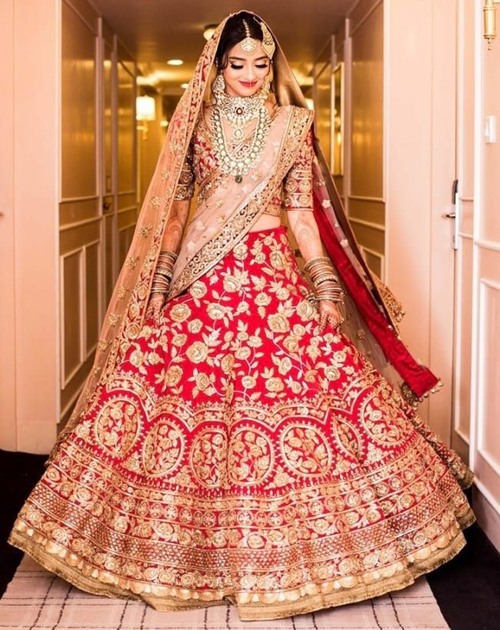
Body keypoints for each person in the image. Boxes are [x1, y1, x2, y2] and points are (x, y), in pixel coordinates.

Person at [10, 10, 474, 621]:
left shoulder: (293, 125)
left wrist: (325, 281)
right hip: (202, 281)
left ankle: (318, 548)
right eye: (237, 64)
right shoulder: (195, 127)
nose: (250, 75)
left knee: (305, 395)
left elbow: (302, 213)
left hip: (274, 276)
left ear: (271, 64)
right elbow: (176, 214)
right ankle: (180, 551)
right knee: (171, 400)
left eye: (260, 63)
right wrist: (160, 280)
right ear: (217, 65)